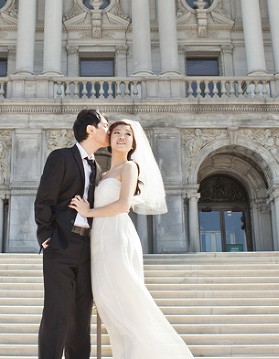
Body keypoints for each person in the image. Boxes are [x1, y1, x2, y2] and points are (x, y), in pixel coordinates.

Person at [70, 120, 194, 359]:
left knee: (127, 298)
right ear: (109, 139)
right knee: (106, 300)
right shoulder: (102, 174)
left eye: (127, 134)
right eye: (116, 132)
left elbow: (123, 205)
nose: (121, 137)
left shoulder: (129, 167)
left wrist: (89, 212)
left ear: (133, 143)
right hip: (99, 240)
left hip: (117, 236)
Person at [35, 109, 110, 359]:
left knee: (81, 316)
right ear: (90, 129)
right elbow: (44, 199)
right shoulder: (61, 157)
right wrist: (46, 236)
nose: (108, 130)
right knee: (57, 313)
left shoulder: (97, 167)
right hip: (61, 244)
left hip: (87, 248)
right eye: (105, 125)